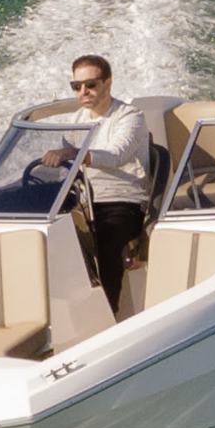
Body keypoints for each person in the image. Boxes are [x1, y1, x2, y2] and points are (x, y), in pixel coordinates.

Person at [40, 54, 149, 312]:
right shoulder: (76, 120)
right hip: (84, 200)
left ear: (107, 83)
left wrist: (73, 154)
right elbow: (66, 168)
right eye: (76, 86)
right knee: (46, 238)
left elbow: (116, 155)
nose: (83, 91)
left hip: (123, 201)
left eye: (90, 84)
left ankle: (109, 314)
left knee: (106, 242)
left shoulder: (130, 116)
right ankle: (60, 316)